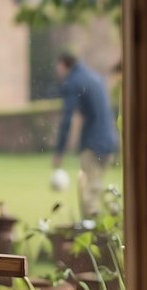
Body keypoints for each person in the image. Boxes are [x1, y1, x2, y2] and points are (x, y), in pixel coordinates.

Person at [51, 52, 119, 218]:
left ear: (63, 65)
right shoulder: (94, 77)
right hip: (110, 142)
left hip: (94, 145)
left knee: (89, 197)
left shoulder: (74, 81)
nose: (57, 72)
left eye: (57, 67)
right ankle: (110, 223)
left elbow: (67, 119)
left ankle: (95, 237)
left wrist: (59, 152)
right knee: (95, 189)